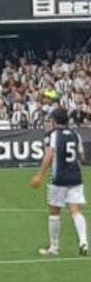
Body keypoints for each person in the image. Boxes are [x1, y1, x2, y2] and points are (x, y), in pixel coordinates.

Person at [31, 109, 87, 257]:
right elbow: (82, 158)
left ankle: (54, 247)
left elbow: (49, 156)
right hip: (76, 177)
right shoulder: (76, 135)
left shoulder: (54, 135)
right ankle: (83, 242)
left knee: (54, 212)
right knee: (76, 211)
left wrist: (39, 176)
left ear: (55, 121)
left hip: (59, 178)